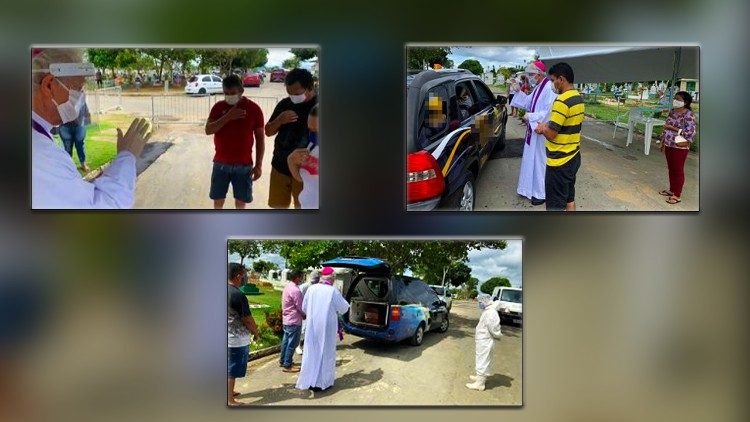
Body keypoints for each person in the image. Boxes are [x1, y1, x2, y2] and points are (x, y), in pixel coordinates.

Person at [31, 48, 152, 209]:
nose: (81, 96)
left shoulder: (39, 137)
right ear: (49, 85)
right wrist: (127, 156)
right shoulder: (40, 156)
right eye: (78, 89)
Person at [205, 74, 265, 209]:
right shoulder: (218, 107)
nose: (229, 96)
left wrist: (259, 165)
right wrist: (227, 117)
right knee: (218, 200)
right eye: (226, 93)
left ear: (241, 91)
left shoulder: (254, 109)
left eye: (232, 93)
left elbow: (260, 139)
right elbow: (208, 130)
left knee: (241, 202)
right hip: (220, 164)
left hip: (244, 165)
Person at [534, 62, 584, 211]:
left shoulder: (561, 101)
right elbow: (567, 123)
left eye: (552, 79)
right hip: (573, 156)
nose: (552, 83)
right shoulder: (578, 98)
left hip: (559, 163)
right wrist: (549, 125)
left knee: (555, 207)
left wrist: (543, 128)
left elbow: (551, 134)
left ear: (561, 79)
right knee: (569, 199)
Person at [265, 68, 318, 209]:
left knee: (303, 209)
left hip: (306, 172)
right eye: (289, 93)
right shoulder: (284, 104)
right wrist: (279, 120)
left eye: (296, 93)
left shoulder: (319, 107)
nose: (292, 97)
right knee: (278, 207)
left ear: (310, 87)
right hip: (279, 167)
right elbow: (268, 131)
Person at [510, 60, 557, 206]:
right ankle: (527, 189)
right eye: (529, 74)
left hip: (541, 129)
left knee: (539, 161)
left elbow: (548, 111)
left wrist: (530, 116)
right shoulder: (538, 88)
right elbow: (528, 103)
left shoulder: (549, 88)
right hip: (534, 129)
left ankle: (540, 193)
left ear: (539, 74)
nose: (530, 77)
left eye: (531, 74)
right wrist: (518, 91)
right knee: (531, 159)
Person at [295, 267, 350, 392]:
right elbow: (344, 308)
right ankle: (322, 382)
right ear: (332, 279)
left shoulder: (311, 289)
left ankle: (309, 380)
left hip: (313, 326)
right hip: (327, 328)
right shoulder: (333, 291)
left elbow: (304, 307)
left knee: (312, 351)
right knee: (326, 353)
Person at [227, 263, 260, 406]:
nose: (244, 278)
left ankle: (229, 391)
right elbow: (247, 319)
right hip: (236, 339)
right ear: (238, 276)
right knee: (232, 369)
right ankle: (229, 399)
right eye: (243, 275)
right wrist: (256, 332)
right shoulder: (238, 294)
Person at [659, 91, 697, 205]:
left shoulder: (689, 115)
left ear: (685, 102)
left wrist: (673, 128)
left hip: (679, 147)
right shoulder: (672, 112)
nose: (675, 101)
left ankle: (677, 195)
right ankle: (671, 190)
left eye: (678, 99)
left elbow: (690, 133)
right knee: (671, 168)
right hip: (669, 144)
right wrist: (662, 141)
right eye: (675, 98)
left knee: (678, 170)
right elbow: (666, 127)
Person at [466, 295, 504, 391]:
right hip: (483, 340)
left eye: (480, 302)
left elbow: (493, 329)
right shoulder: (488, 310)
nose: (479, 304)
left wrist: (498, 335)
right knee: (482, 359)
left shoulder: (491, 313)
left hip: (486, 341)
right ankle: (480, 377)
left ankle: (480, 384)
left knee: (482, 361)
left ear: (485, 301)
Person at [288, 104, 319, 209]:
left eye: (317, 131)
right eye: (310, 129)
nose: (312, 134)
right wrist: (291, 162)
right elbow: (306, 180)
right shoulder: (312, 146)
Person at [279, 270, 305, 373]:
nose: (302, 279)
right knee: (292, 343)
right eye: (302, 276)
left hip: (287, 319)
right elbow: (300, 306)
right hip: (294, 320)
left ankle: (283, 361)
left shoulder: (288, 286)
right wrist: (304, 314)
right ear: (297, 277)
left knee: (285, 342)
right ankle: (287, 365)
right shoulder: (295, 290)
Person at [58, 98, 91, 173]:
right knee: (67, 147)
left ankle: (83, 164)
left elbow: (85, 108)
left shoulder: (79, 95)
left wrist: (87, 119)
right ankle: (68, 166)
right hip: (65, 126)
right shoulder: (62, 94)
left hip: (79, 125)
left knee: (80, 146)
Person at [295, 270, 321, 355]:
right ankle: (298, 346)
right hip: (304, 311)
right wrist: (302, 312)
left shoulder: (318, 286)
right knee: (303, 329)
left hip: (313, 311)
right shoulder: (304, 286)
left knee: (311, 329)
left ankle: (308, 345)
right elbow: (299, 299)